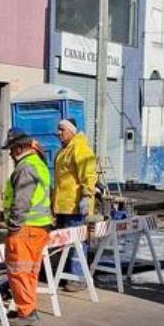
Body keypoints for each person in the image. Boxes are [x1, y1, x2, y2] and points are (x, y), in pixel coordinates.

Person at [1, 130, 52, 326]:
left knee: (18, 271)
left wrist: (13, 226)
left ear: (20, 147)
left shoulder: (25, 168)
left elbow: (21, 201)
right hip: (39, 227)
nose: (11, 154)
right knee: (30, 271)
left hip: (25, 228)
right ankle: (29, 307)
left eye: (12, 150)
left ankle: (26, 312)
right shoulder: (39, 164)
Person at [52, 119, 97, 289]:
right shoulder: (64, 151)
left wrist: (86, 196)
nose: (58, 133)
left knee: (77, 243)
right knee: (65, 243)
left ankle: (78, 278)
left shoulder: (80, 149)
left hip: (75, 207)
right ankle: (67, 275)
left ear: (71, 131)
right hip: (63, 206)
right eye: (58, 129)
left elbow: (89, 175)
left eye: (61, 129)